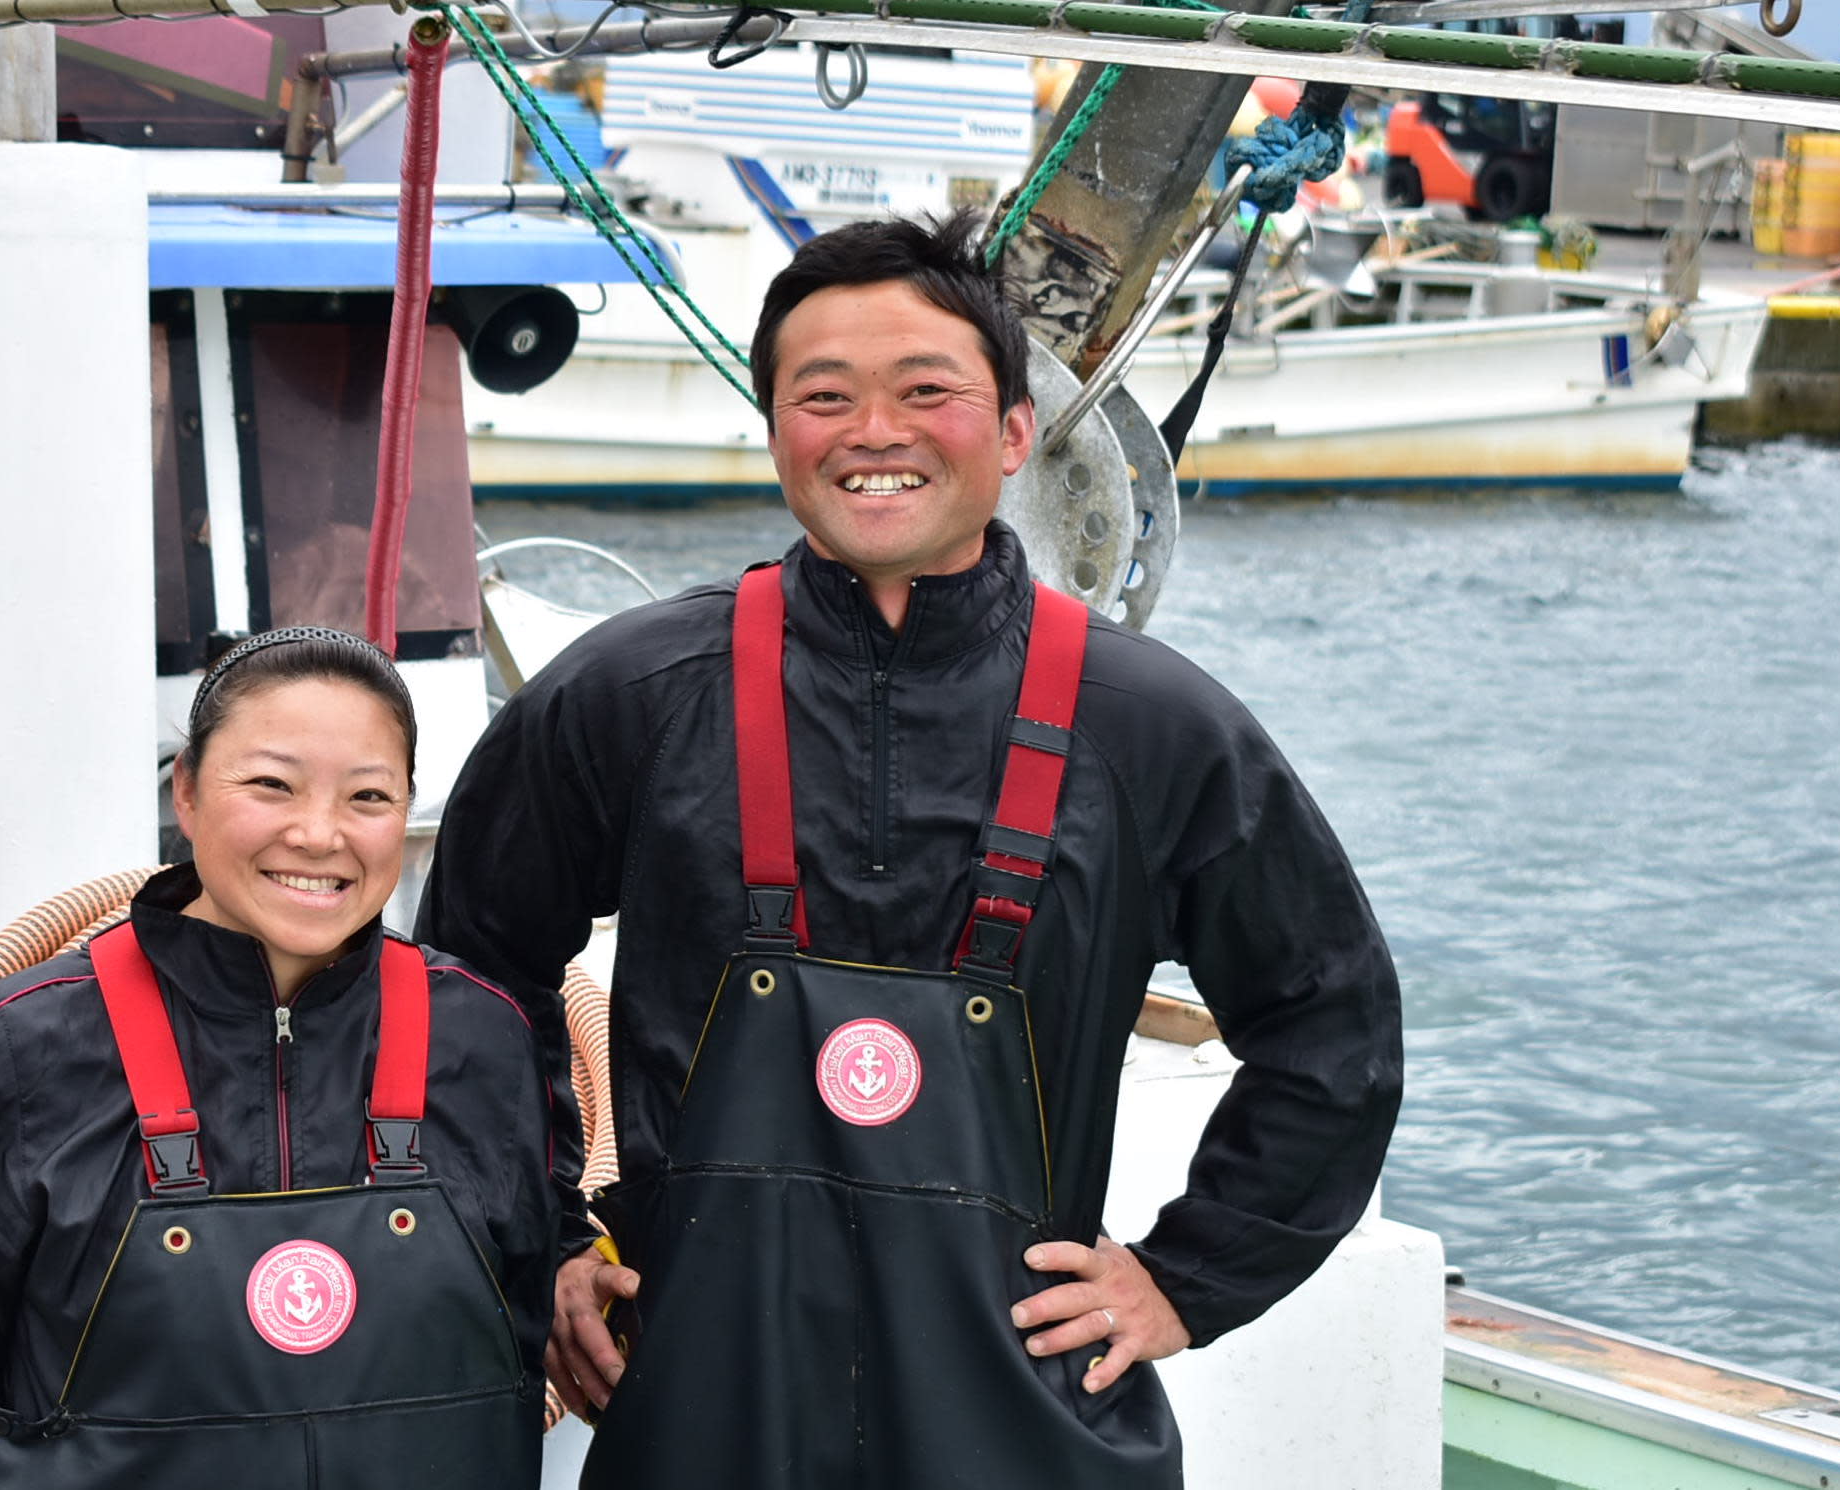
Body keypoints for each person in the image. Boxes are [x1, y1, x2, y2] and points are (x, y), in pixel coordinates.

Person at [418, 211, 1403, 1488]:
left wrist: (1182, 1278)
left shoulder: (1153, 728)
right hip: (700, 1414)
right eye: (822, 396)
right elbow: (465, 984)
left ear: (1011, 434)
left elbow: (1332, 1024)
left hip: (1027, 1422)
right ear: (775, 431)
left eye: (924, 390)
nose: (872, 431)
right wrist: (543, 1245)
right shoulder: (628, 693)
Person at [0, 627, 558, 1490]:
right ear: (184, 791)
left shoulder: (483, 1036)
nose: (318, 833)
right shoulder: (14, 1048)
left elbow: (522, 1328)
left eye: (368, 797)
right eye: (271, 784)